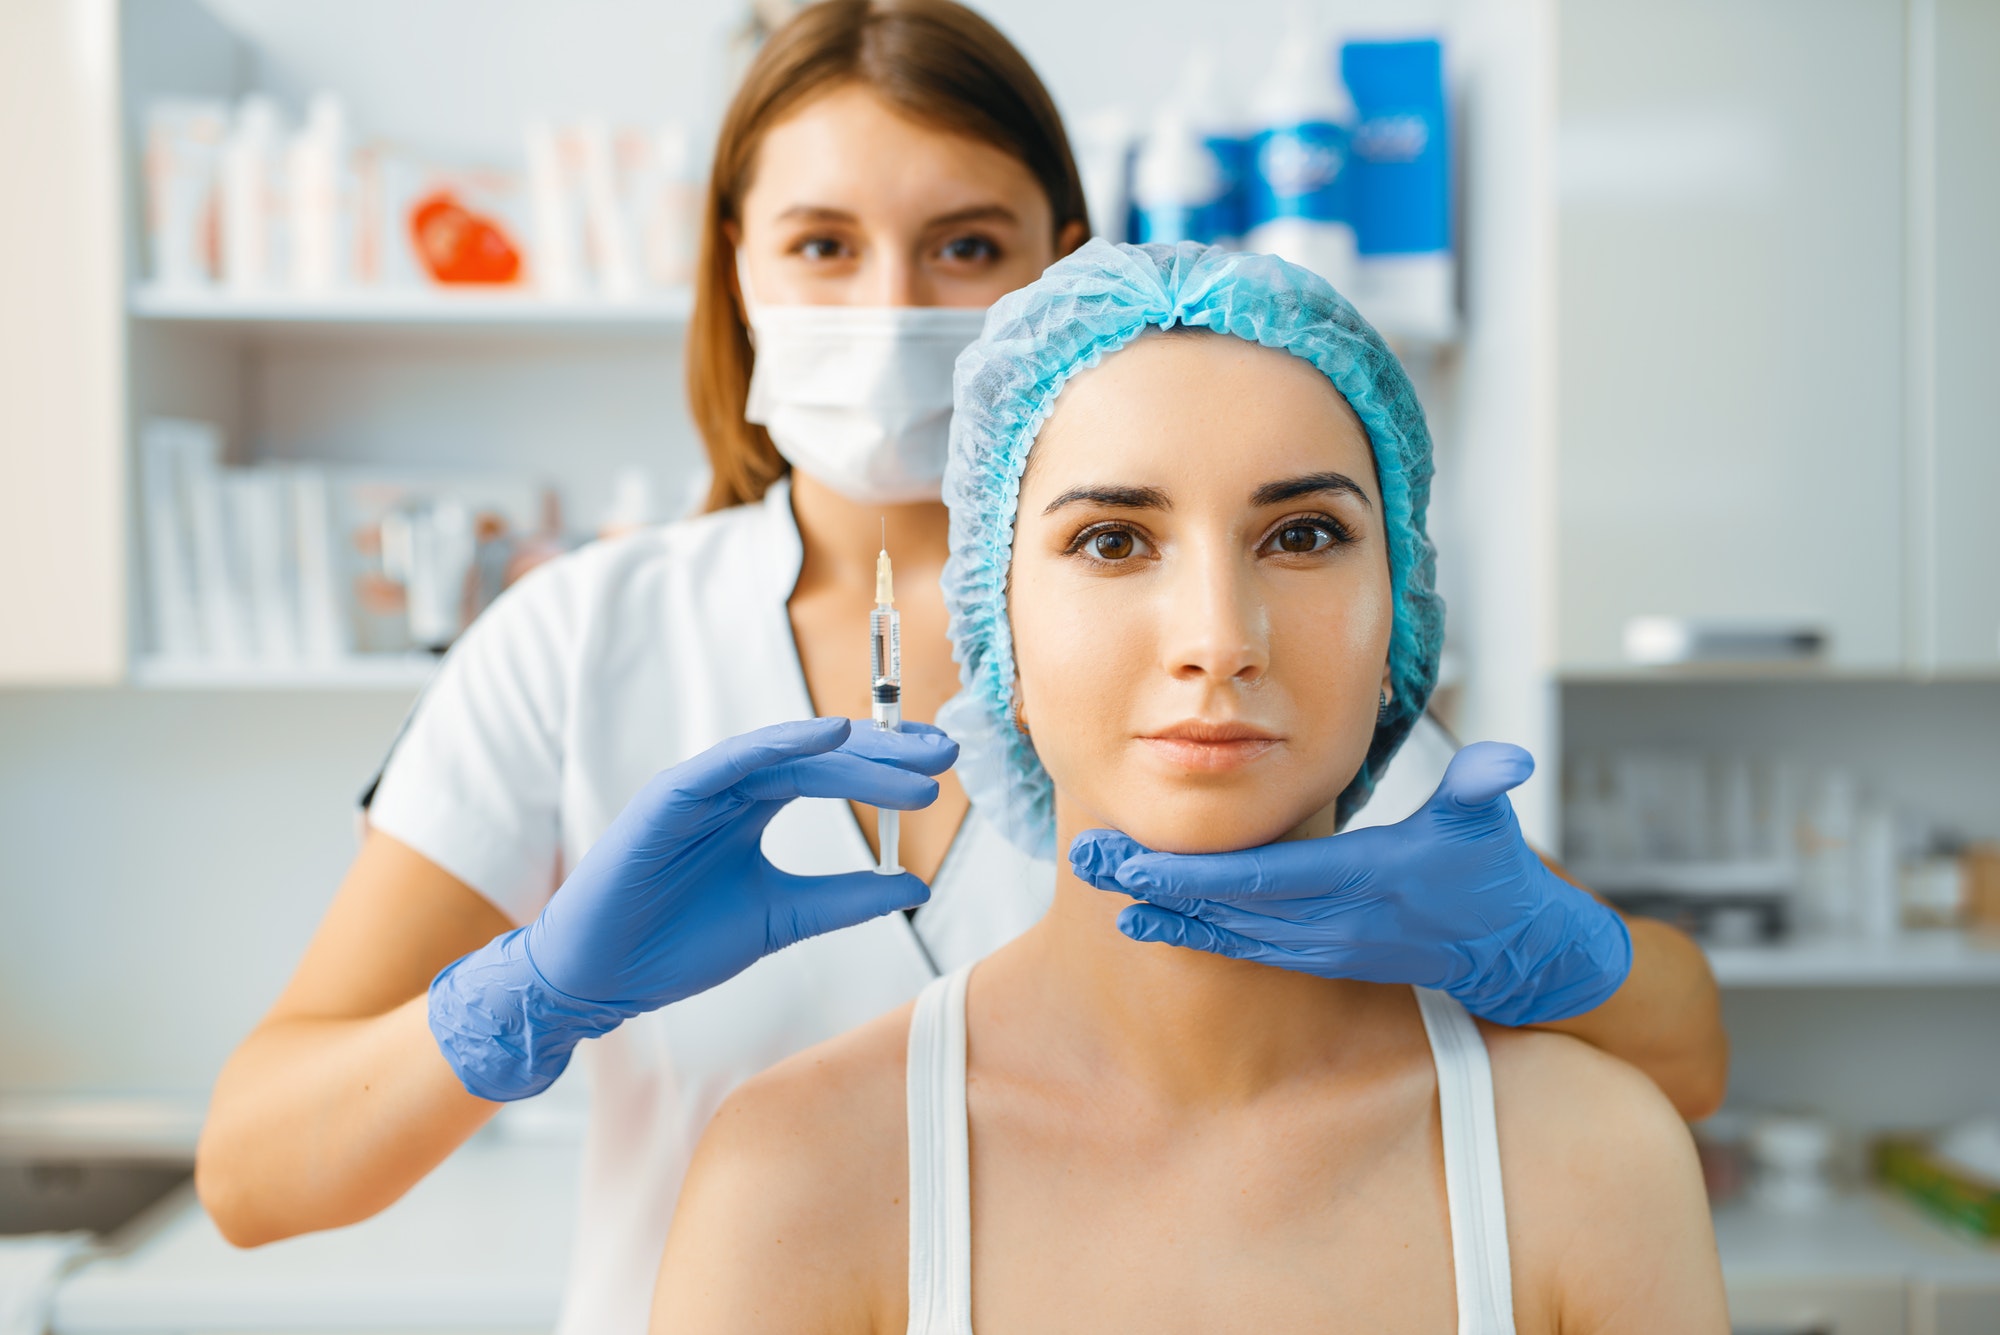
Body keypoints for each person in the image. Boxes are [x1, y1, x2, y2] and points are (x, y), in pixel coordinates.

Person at [195, 4, 1724, 1332]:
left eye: (966, 246)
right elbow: (256, 1171)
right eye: (821, 244)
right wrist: (535, 992)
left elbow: (1659, 1059)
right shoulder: (579, 640)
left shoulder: (1262, 673)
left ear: (1063, 264)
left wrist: (1534, 947)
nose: (888, 310)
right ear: (733, 267)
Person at [652, 242, 1730, 1333]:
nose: (1219, 639)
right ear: (997, 627)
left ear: (1396, 608)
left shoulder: (1591, 1165)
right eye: (1112, 540)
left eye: (1302, 535)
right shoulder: (797, 1181)